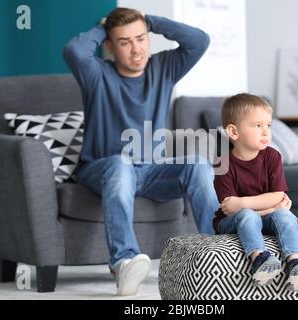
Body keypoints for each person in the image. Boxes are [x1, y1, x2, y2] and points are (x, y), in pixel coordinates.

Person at [62, 8, 218, 296]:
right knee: (121, 164)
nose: (136, 49)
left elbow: (200, 40)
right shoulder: (97, 74)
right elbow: (73, 50)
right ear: (109, 46)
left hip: (150, 171)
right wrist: (102, 27)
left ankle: (219, 253)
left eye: (141, 39)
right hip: (102, 168)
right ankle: (124, 262)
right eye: (124, 42)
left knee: (198, 162)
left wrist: (152, 22)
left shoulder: (164, 68)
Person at [213, 93, 298, 292]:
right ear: (233, 132)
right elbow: (231, 210)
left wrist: (243, 203)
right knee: (248, 216)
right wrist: (269, 207)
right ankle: (260, 258)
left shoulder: (272, 156)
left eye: (268, 125)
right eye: (257, 126)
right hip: (230, 222)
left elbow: (277, 196)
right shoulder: (222, 163)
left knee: (285, 216)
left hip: (259, 215)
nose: (266, 132)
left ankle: (295, 261)